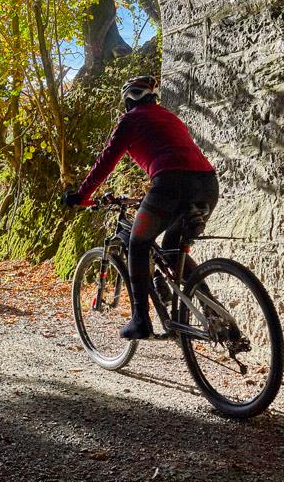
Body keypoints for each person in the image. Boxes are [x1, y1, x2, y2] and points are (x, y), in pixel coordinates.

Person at [61, 76, 219, 341]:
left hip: (170, 184)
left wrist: (80, 195)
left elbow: (105, 162)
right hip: (207, 185)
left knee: (137, 241)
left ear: (128, 99)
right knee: (171, 250)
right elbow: (174, 154)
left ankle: (140, 319)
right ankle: (215, 314)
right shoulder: (171, 118)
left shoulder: (130, 120)